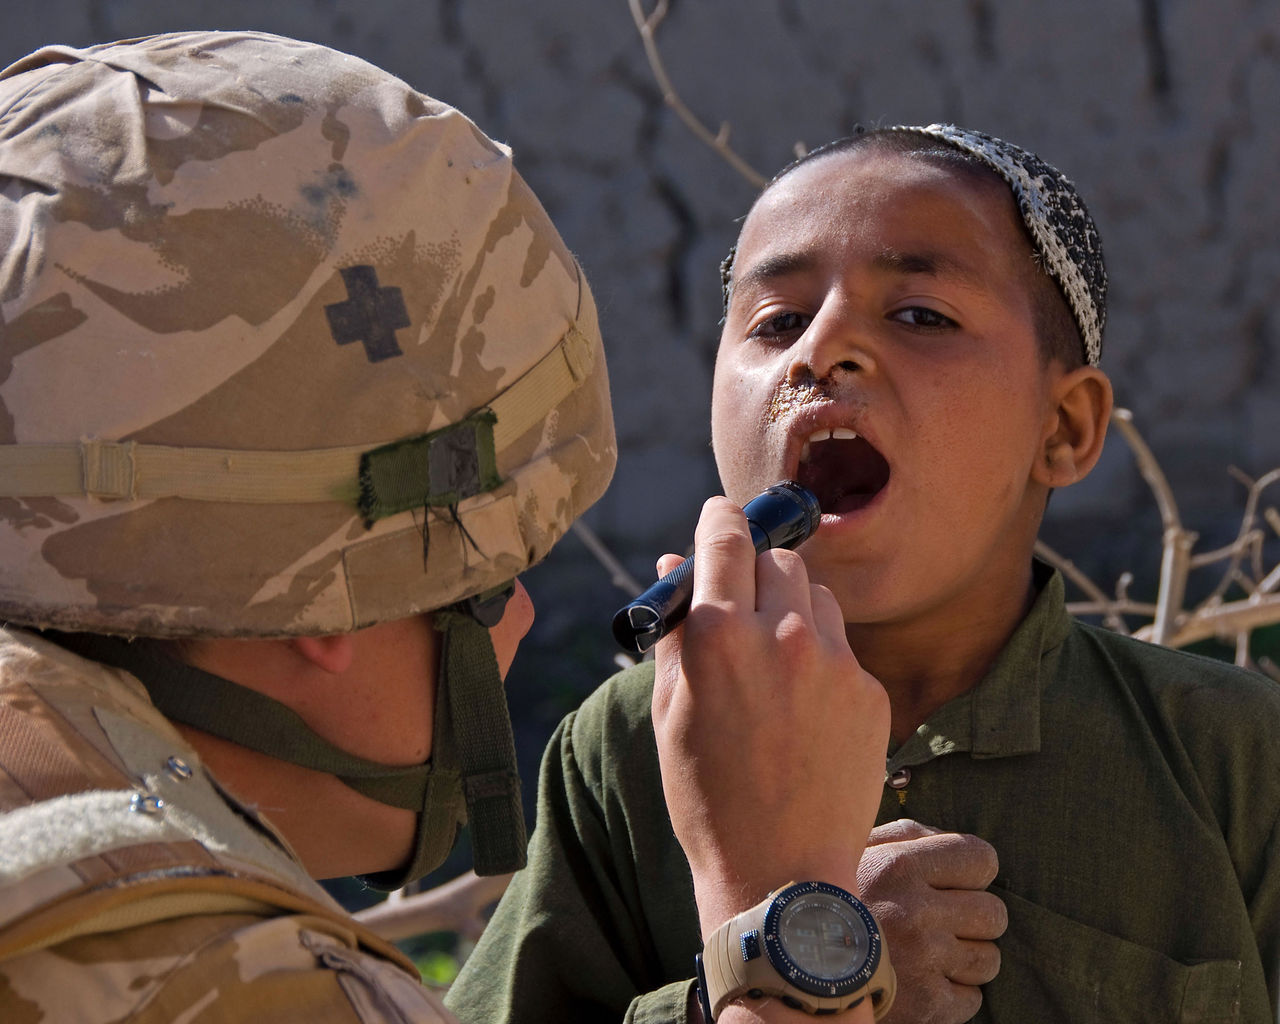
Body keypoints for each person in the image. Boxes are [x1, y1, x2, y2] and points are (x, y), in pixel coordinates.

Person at [0, 30, 897, 1024]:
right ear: (324, 595)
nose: (515, 617)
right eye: (486, 575)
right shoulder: (224, 980)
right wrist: (789, 913)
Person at [447, 125, 1280, 1024]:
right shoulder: (629, 744)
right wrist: (756, 976)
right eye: (776, 322)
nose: (822, 349)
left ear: (1064, 429)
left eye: (921, 314)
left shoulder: (1227, 754)